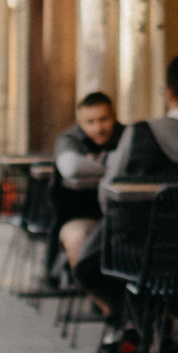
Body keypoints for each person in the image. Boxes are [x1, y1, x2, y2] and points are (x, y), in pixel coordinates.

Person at [74, 56, 178, 337]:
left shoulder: (140, 134)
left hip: (141, 252)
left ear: (169, 93)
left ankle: (139, 322)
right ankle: (154, 320)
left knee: (90, 262)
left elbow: (108, 193)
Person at [52, 91, 121, 273]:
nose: (98, 128)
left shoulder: (127, 135)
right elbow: (71, 167)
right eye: (90, 122)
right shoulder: (70, 139)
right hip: (81, 216)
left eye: (103, 119)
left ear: (114, 116)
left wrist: (93, 164)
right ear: (80, 123)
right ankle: (94, 294)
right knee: (77, 238)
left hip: (123, 219)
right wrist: (112, 163)